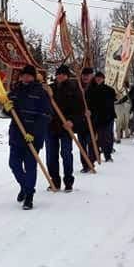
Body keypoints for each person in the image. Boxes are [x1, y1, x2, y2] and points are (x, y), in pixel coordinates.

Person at [7, 65, 52, 210]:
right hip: (16, 134)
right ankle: (25, 187)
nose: (26, 78)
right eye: (23, 75)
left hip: (33, 136)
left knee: (30, 166)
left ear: (33, 77)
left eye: (29, 75)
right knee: (14, 164)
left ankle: (29, 196)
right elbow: (9, 111)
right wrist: (6, 108)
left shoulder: (40, 92)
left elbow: (46, 115)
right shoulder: (15, 90)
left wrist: (33, 133)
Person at [45, 64, 81, 193]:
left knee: (66, 154)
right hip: (50, 126)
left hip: (66, 127)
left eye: (63, 74)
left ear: (67, 75)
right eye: (58, 74)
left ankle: (68, 181)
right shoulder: (50, 89)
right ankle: (54, 181)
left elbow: (79, 109)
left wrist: (72, 121)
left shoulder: (73, 88)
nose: (60, 76)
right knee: (51, 156)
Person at [87, 71, 117, 162]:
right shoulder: (90, 90)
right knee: (93, 139)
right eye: (97, 78)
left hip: (106, 118)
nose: (98, 79)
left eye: (100, 78)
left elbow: (111, 104)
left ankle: (107, 155)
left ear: (103, 79)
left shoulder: (109, 90)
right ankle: (94, 156)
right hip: (94, 117)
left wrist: (109, 116)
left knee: (105, 138)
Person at [75, 67, 98, 173]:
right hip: (80, 121)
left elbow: (100, 105)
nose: (85, 77)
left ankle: (91, 161)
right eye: (83, 75)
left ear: (91, 76)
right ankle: (85, 164)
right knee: (82, 144)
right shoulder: (77, 87)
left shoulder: (96, 88)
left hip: (92, 121)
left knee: (91, 142)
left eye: (87, 75)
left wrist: (92, 112)